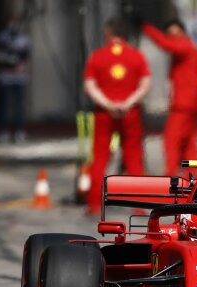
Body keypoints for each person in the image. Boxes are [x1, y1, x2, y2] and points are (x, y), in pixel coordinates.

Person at [83, 17, 152, 215]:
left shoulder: (97, 56)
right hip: (130, 113)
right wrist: (128, 103)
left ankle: (94, 204)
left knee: (99, 158)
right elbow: (146, 84)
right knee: (133, 158)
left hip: (104, 113)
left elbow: (90, 85)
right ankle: (140, 206)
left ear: (108, 34)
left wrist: (107, 103)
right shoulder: (136, 56)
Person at [141, 19, 197, 177]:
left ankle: (170, 175)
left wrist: (146, 26)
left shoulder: (185, 46)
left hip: (183, 103)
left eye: (175, 33)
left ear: (182, 32)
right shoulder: (190, 49)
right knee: (189, 143)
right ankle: (194, 175)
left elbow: (165, 44)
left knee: (172, 139)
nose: (172, 37)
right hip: (191, 103)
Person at [0, 17, 30, 143]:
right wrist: (8, 64)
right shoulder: (2, 38)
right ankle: (4, 132)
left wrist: (20, 66)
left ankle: (19, 131)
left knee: (19, 106)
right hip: (6, 77)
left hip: (19, 77)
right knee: (5, 106)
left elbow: (26, 57)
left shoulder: (23, 39)